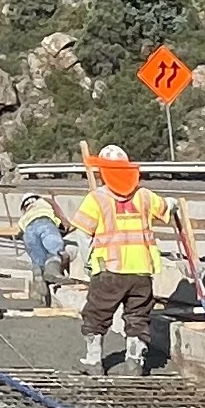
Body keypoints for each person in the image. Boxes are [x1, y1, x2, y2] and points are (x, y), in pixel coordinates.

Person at [75, 146, 168, 376]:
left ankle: (94, 360)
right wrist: (174, 205)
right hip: (141, 271)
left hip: (109, 269)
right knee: (138, 316)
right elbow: (167, 208)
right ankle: (135, 360)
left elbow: (82, 233)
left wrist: (87, 262)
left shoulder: (97, 198)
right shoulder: (145, 196)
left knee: (97, 314)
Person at [13, 192, 70, 312]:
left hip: (28, 232)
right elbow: (61, 218)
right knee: (55, 251)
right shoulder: (45, 202)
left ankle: (38, 275)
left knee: (38, 260)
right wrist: (64, 227)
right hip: (45, 223)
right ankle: (53, 271)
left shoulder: (25, 215)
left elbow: (18, 232)